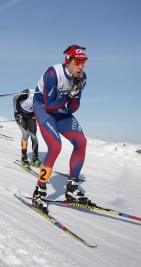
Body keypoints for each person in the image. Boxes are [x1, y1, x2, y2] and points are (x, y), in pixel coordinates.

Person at [31, 45, 89, 214]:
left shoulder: (82, 77)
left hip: (61, 108)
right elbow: (49, 107)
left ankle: (72, 188)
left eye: (84, 62)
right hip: (43, 107)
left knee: (81, 142)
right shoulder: (53, 74)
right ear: (68, 61)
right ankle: (39, 191)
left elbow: (73, 109)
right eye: (77, 62)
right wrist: (67, 96)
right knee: (55, 146)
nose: (81, 66)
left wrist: (75, 94)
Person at [13, 89, 40, 168]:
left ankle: (35, 158)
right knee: (25, 134)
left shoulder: (45, 98)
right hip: (20, 114)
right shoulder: (29, 93)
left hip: (31, 115)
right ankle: (24, 156)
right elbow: (15, 99)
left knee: (34, 136)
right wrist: (16, 111)